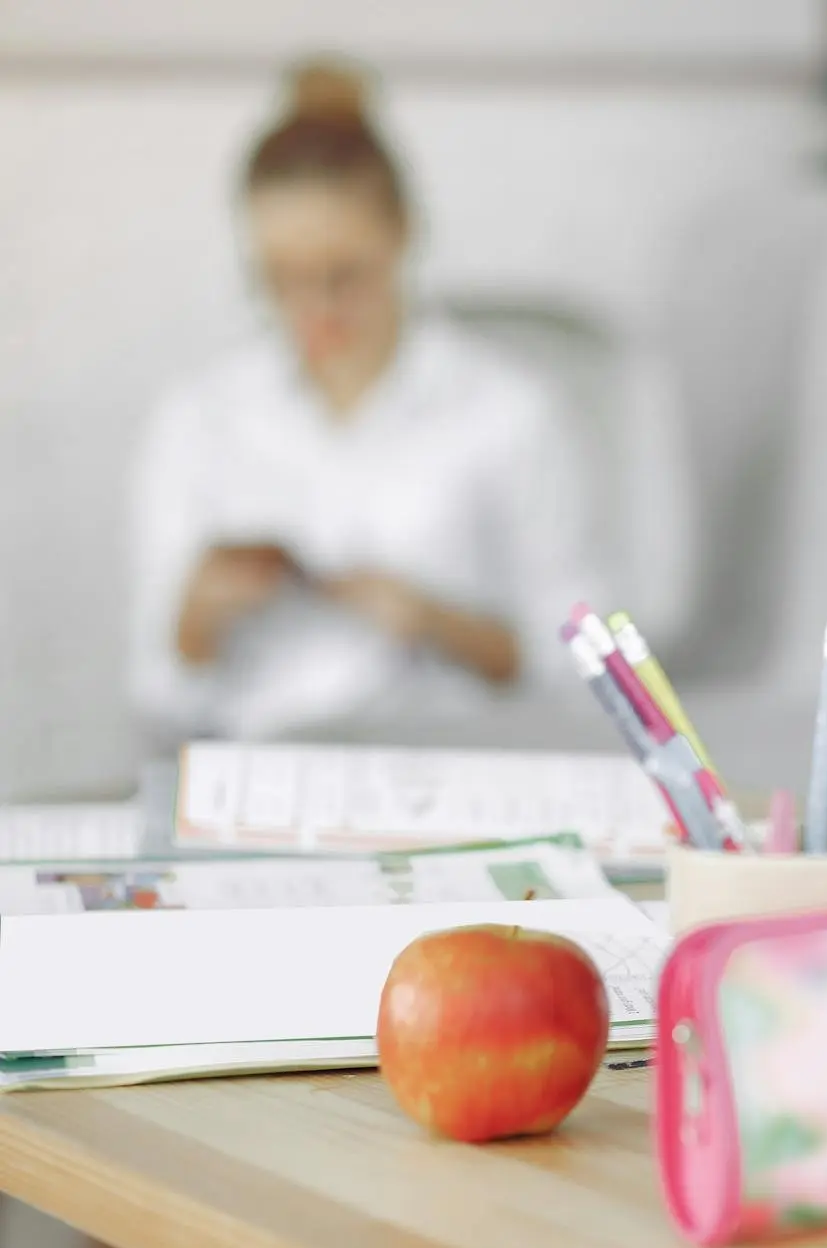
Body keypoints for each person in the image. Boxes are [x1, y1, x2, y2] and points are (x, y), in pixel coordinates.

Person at [126, 60, 600, 744]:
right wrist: (196, 620)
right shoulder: (200, 417)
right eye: (282, 281)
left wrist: (439, 623)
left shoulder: (510, 412)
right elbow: (152, 689)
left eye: (341, 276)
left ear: (401, 232)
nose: (315, 310)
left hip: (454, 768)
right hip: (258, 774)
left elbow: (590, 666)